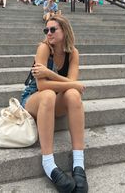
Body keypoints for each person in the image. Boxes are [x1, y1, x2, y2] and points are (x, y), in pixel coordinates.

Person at [21, 15, 88, 193]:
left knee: (73, 94)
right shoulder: (43, 48)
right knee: (50, 93)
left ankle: (79, 163)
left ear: (64, 31)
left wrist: (52, 75)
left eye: (53, 29)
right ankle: (48, 163)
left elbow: (70, 85)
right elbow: (42, 86)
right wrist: (70, 83)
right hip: (33, 98)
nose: (48, 33)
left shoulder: (73, 53)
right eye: (46, 30)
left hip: (54, 99)